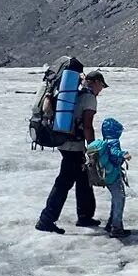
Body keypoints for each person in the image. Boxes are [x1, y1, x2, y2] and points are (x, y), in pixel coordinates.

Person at [36, 69, 107, 234]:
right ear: (95, 82)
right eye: (101, 86)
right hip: (74, 146)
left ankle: (85, 216)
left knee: (83, 178)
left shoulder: (76, 94)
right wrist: (93, 148)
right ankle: (46, 219)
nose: (101, 90)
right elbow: (87, 125)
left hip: (64, 140)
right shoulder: (89, 98)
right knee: (64, 182)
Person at [90, 117, 132, 239]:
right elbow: (114, 152)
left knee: (116, 198)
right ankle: (116, 227)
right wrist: (124, 154)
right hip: (113, 175)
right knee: (119, 199)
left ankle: (111, 223)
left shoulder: (105, 141)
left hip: (106, 176)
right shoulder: (114, 141)